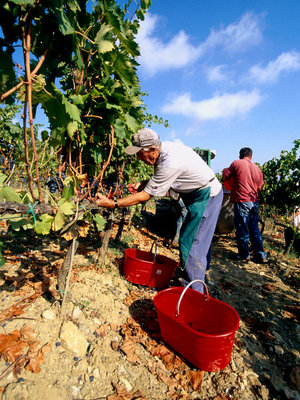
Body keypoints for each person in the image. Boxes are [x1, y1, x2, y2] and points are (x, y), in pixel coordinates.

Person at [95, 128, 223, 292]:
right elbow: (165, 178)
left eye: (140, 154)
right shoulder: (165, 150)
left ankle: (194, 294)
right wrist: (145, 183)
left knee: (193, 246)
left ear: (153, 150)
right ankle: (196, 275)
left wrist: (113, 203)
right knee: (197, 239)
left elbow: (146, 196)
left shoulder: (170, 161)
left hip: (206, 197)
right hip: (198, 195)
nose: (138, 158)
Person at [223, 147, 268, 263]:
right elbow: (260, 187)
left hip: (242, 201)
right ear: (251, 156)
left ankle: (244, 255)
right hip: (254, 201)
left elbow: (226, 176)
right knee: (254, 229)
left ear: (240, 155)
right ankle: (260, 255)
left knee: (242, 228)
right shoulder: (257, 168)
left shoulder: (236, 163)